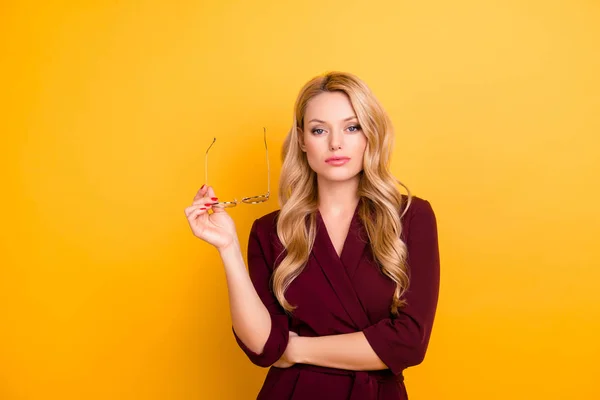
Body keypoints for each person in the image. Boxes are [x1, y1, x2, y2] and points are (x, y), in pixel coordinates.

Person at [184, 71, 440, 400]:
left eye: (352, 127)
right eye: (319, 130)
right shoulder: (268, 230)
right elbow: (262, 347)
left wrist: (294, 349)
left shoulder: (411, 217)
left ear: (370, 134)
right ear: (303, 141)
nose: (336, 143)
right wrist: (228, 247)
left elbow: (408, 343)